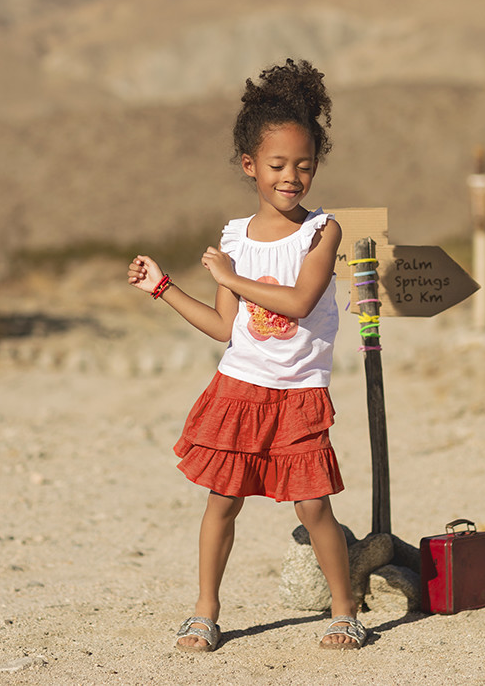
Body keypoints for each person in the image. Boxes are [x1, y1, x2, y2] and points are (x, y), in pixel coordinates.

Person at [127, 59, 367, 652]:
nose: (292, 177)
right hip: (239, 389)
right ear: (250, 165)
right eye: (279, 165)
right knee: (223, 501)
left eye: (304, 165)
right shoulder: (234, 236)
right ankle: (206, 611)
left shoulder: (322, 231)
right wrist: (164, 288)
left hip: (298, 393)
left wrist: (231, 275)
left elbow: (300, 300)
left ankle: (344, 609)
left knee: (314, 506)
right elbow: (223, 326)